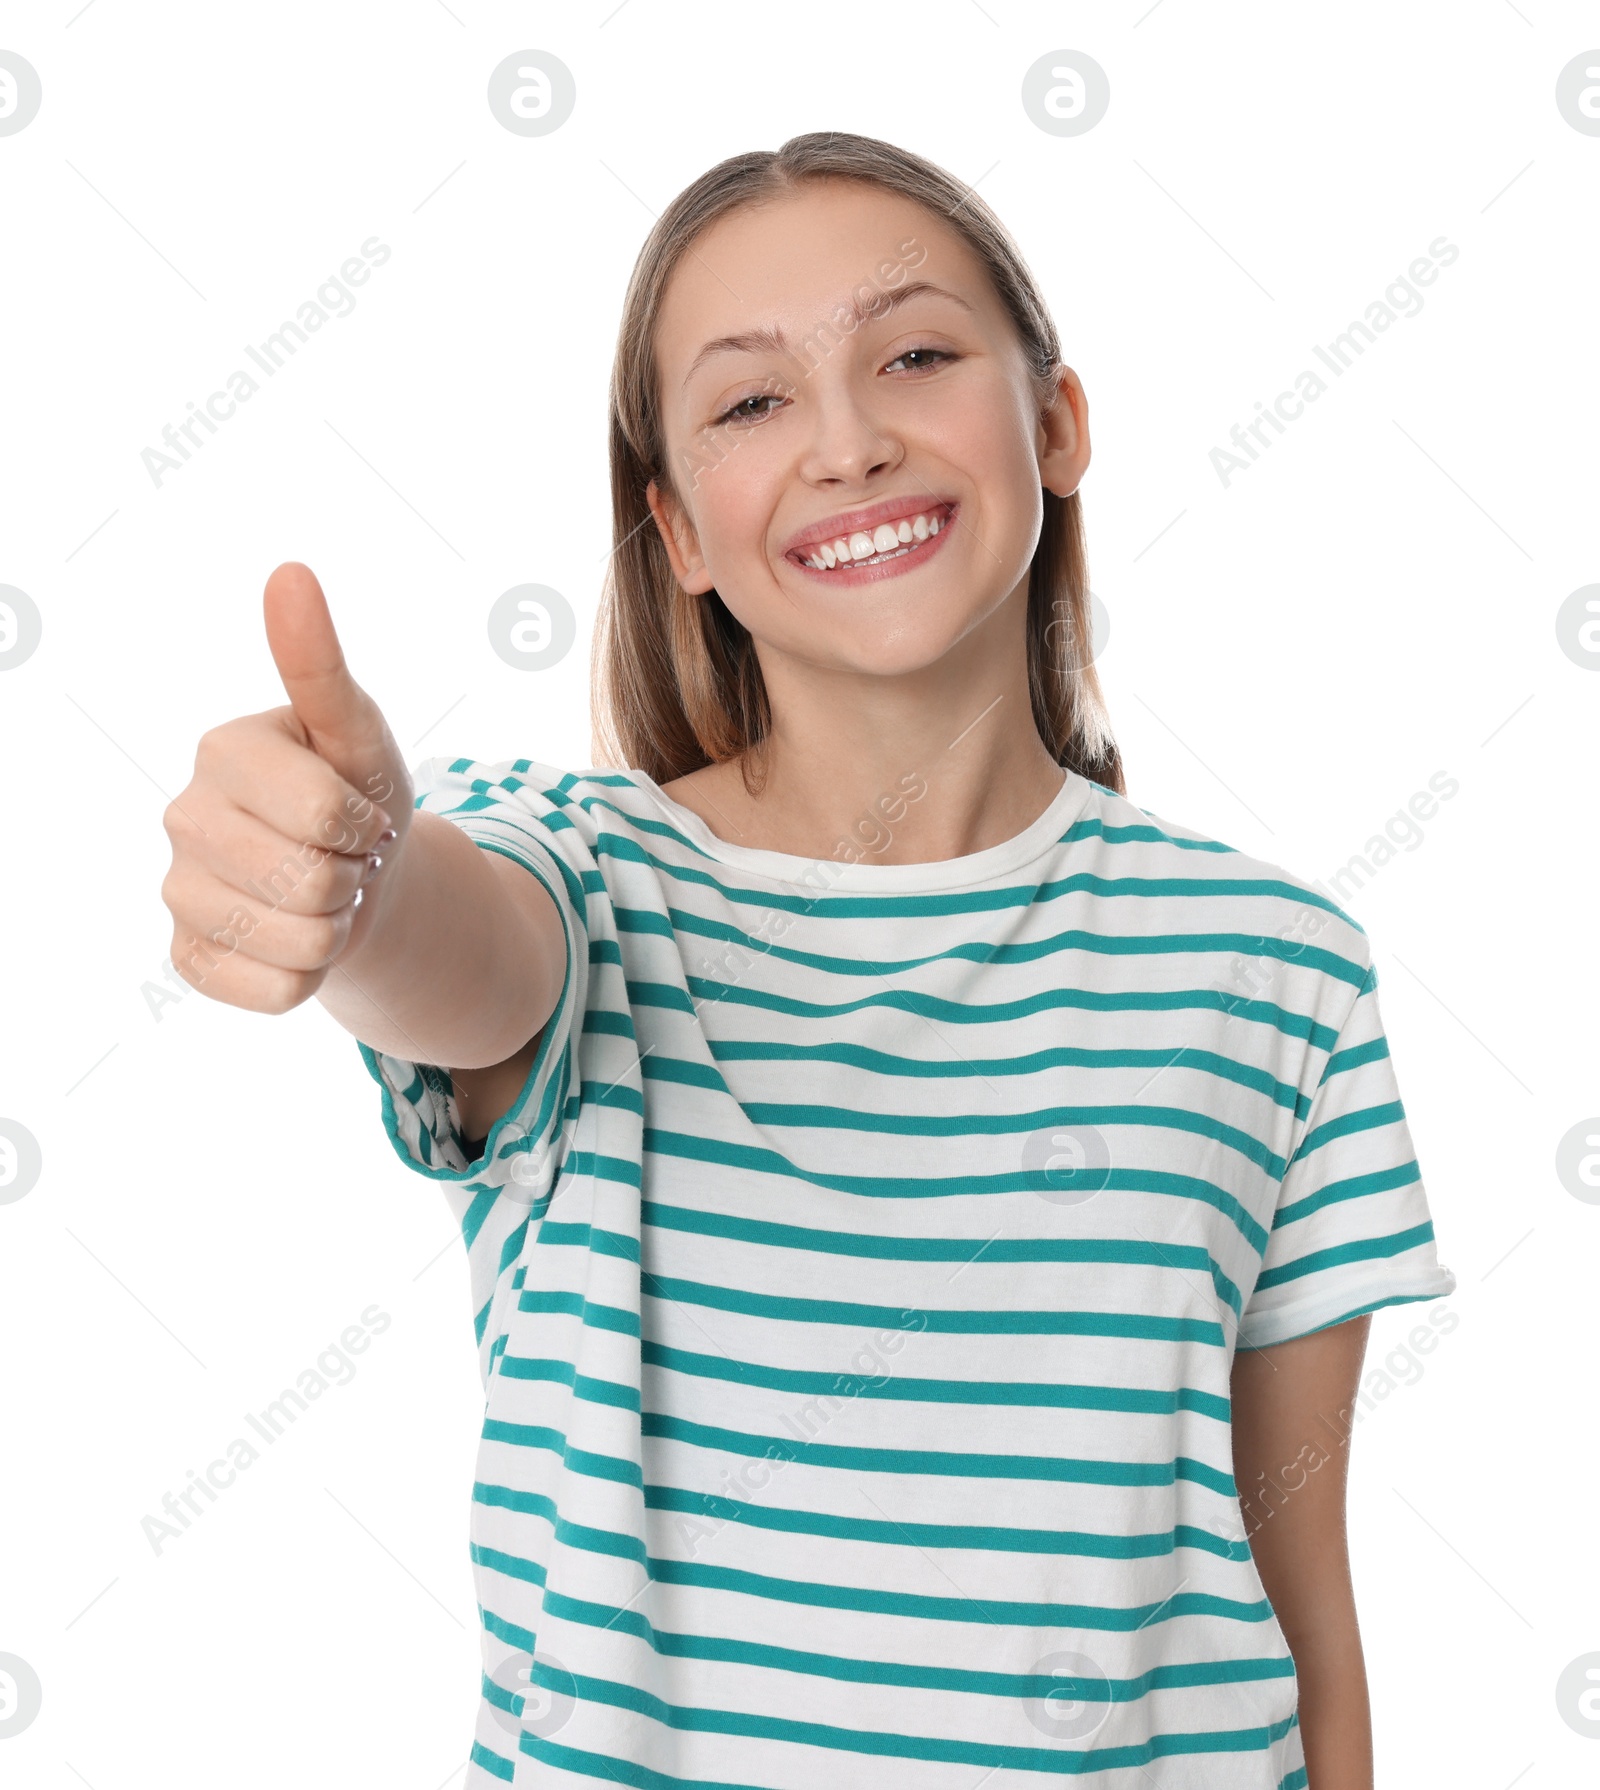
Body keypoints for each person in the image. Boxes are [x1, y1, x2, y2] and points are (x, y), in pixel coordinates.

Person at [160, 130, 1456, 1789]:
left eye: (915, 354)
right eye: (751, 402)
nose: (848, 442)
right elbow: (450, 946)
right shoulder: (576, 875)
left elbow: (1306, 1615)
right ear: (680, 532)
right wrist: (348, 874)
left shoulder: (1278, 968)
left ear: (1055, 423)